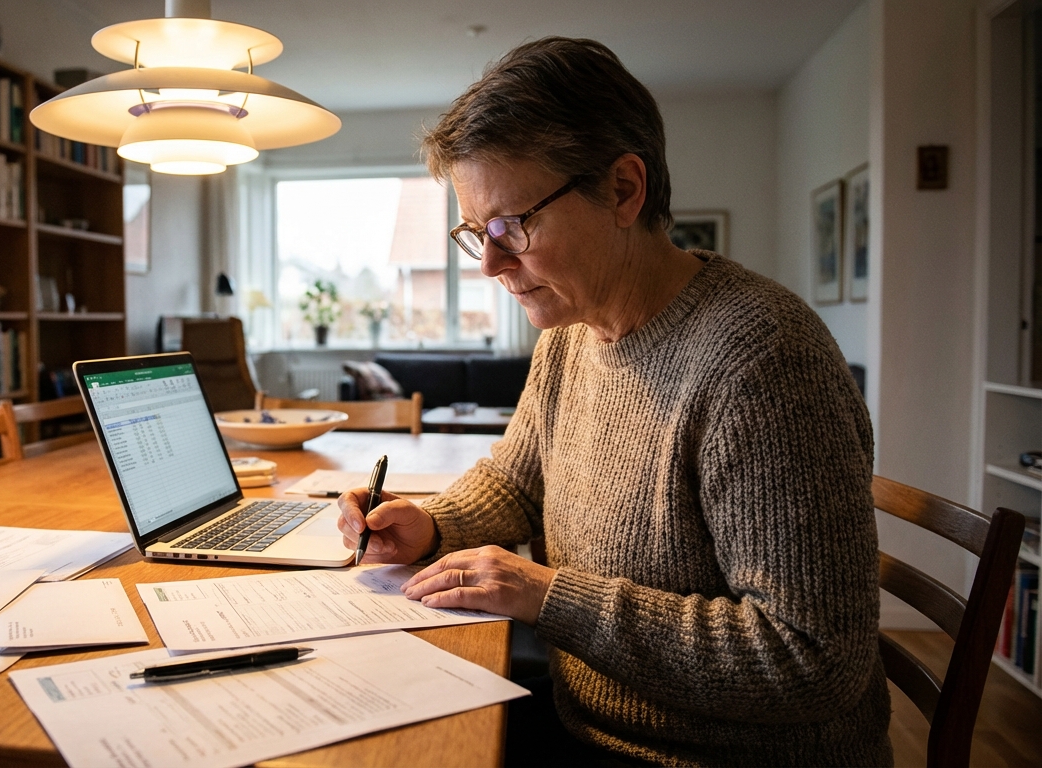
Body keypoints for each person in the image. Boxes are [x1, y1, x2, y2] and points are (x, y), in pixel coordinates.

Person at [337, 37, 891, 766]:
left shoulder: (763, 359)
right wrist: (431, 525)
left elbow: (810, 659)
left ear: (624, 190)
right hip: (593, 719)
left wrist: (550, 597)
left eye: (512, 227)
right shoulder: (573, 332)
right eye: (478, 234)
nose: (493, 265)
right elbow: (516, 480)